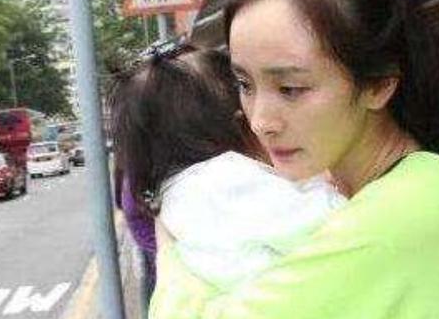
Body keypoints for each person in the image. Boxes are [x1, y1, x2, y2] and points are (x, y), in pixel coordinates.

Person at [149, 0, 439, 319]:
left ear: (379, 83)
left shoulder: (416, 205)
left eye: (290, 88)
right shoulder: (338, 192)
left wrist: (170, 245)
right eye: (244, 84)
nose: (260, 120)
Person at [109, 42, 347, 292]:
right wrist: (328, 183)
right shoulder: (224, 179)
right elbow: (321, 223)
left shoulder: (175, 194)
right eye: (245, 89)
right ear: (235, 121)